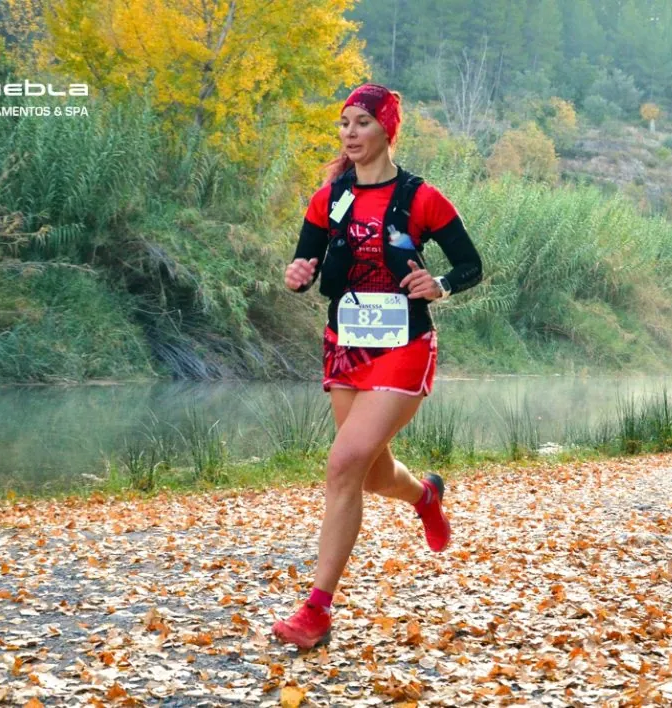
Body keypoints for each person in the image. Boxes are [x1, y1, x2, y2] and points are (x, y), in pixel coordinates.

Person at [272, 83, 483, 650]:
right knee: (368, 472)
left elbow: (470, 265)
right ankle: (424, 497)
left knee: (342, 464)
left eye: (361, 122)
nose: (350, 134)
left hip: (405, 345)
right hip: (346, 344)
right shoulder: (330, 196)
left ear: (387, 128)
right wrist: (297, 274)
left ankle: (316, 612)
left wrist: (438, 284)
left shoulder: (423, 198)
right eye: (344, 124)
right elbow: (307, 261)